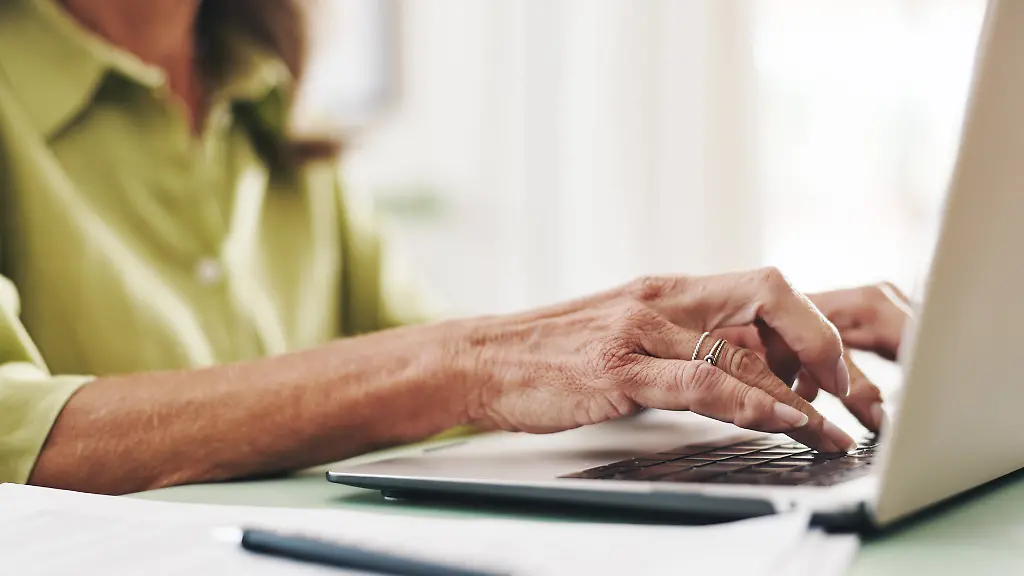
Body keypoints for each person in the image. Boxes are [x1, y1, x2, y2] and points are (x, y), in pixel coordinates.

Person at [0, 0, 912, 495]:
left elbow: (450, 389)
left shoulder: (264, 106)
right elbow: (11, 430)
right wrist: (470, 363)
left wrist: (668, 351)